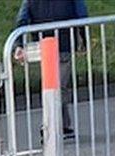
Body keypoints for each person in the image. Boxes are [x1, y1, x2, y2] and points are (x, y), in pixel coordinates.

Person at [13, 0, 89, 139]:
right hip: (64, 42)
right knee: (59, 86)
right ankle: (49, 124)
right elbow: (82, 14)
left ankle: (63, 124)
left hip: (43, 44)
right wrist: (83, 38)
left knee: (52, 84)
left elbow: (22, 19)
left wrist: (19, 44)